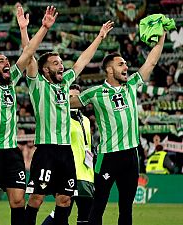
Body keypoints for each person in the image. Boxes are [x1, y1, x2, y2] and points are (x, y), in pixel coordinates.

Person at [24, 17, 113, 225]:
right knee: (36, 198)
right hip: (46, 149)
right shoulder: (37, 85)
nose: (61, 66)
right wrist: (27, 29)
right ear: (45, 70)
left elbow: (82, 60)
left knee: (65, 199)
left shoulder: (65, 84)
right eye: (56, 63)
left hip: (66, 153)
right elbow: (29, 55)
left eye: (61, 62)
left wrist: (100, 37)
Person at [0, 6, 58, 225]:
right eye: (0, 61)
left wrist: (42, 28)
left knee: (18, 201)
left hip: (11, 151)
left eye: (6, 61)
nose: (6, 63)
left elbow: (28, 53)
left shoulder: (11, 84)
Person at [70, 32, 166, 225]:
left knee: (126, 208)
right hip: (107, 157)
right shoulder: (94, 92)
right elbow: (65, 102)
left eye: (125, 63)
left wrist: (162, 38)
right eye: (121, 64)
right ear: (109, 69)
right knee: (98, 206)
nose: (126, 67)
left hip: (131, 156)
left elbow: (151, 63)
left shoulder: (130, 85)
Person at [41, 84, 94, 225]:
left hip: (87, 174)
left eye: (76, 97)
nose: (73, 100)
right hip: (68, 172)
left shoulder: (87, 121)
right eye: (70, 96)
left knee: (85, 216)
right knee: (62, 212)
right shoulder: (61, 120)